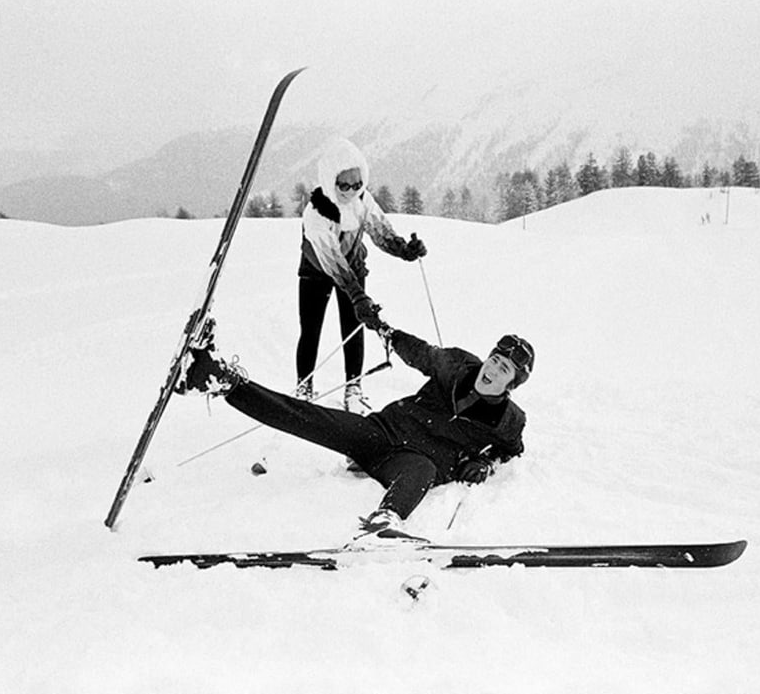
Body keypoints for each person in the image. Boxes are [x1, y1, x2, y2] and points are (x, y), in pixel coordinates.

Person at [174, 317, 534, 540]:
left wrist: (485, 463)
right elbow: (421, 352)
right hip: (381, 432)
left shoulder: (508, 420)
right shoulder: (458, 366)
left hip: (412, 462)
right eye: (495, 360)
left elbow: (511, 450)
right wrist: (385, 330)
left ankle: (383, 522)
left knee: (422, 469)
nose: (493, 370)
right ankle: (218, 379)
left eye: (504, 370)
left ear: (511, 384)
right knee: (309, 417)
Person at [297, 136, 427, 412]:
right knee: (311, 330)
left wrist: (405, 249)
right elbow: (332, 261)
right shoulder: (317, 213)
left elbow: (380, 231)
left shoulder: (362, 200)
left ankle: (353, 386)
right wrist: (357, 295)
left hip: (353, 268)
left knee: (354, 328)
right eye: (344, 184)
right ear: (331, 180)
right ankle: (304, 386)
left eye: (358, 183)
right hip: (316, 272)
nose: (352, 190)